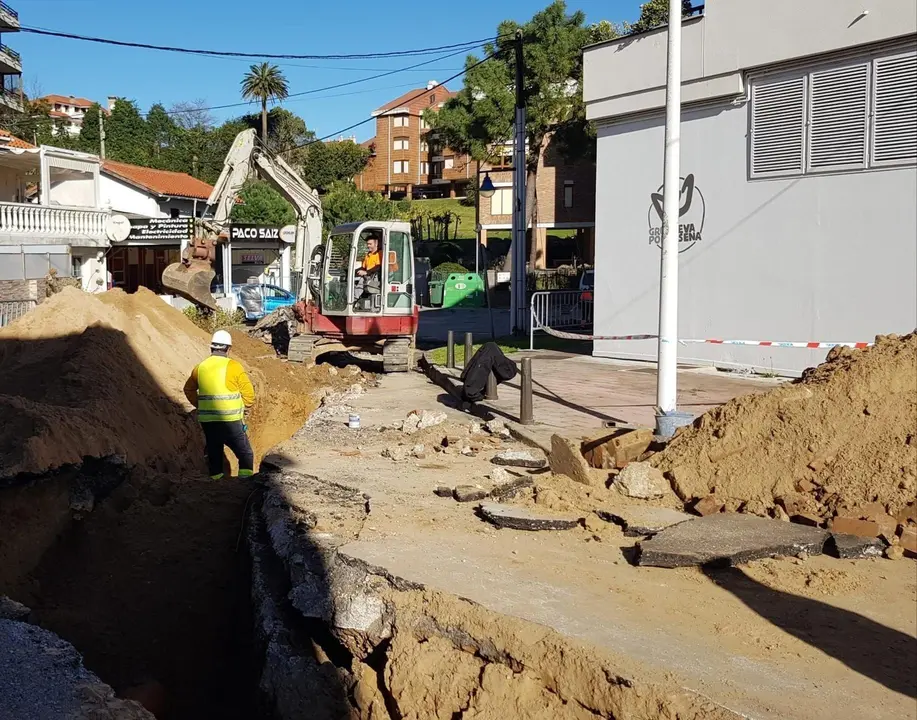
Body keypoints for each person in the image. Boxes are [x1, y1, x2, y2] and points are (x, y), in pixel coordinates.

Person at [184, 330, 255, 480]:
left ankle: (216, 483)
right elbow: (249, 395)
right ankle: (245, 482)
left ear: (211, 348)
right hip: (230, 420)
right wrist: (245, 406)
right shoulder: (234, 366)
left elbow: (188, 389)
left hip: (208, 422)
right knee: (245, 453)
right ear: (228, 349)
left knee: (214, 451)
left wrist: (200, 404)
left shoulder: (200, 367)